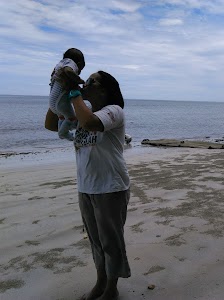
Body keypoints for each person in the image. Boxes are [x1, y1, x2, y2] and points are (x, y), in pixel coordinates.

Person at [45, 70, 131, 300]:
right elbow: (51, 125)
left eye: (92, 81)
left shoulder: (113, 111)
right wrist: (56, 90)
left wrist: (73, 91)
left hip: (111, 186)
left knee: (110, 242)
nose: (86, 83)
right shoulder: (82, 110)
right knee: (95, 241)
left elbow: (91, 124)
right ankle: (100, 282)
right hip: (86, 186)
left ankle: (111, 289)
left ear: (104, 90)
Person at [49, 48, 85, 141]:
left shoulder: (58, 65)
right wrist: (79, 80)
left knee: (62, 117)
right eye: (80, 69)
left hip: (52, 101)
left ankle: (61, 132)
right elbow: (68, 71)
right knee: (71, 118)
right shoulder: (70, 63)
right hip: (61, 100)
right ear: (80, 64)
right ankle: (63, 133)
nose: (79, 71)